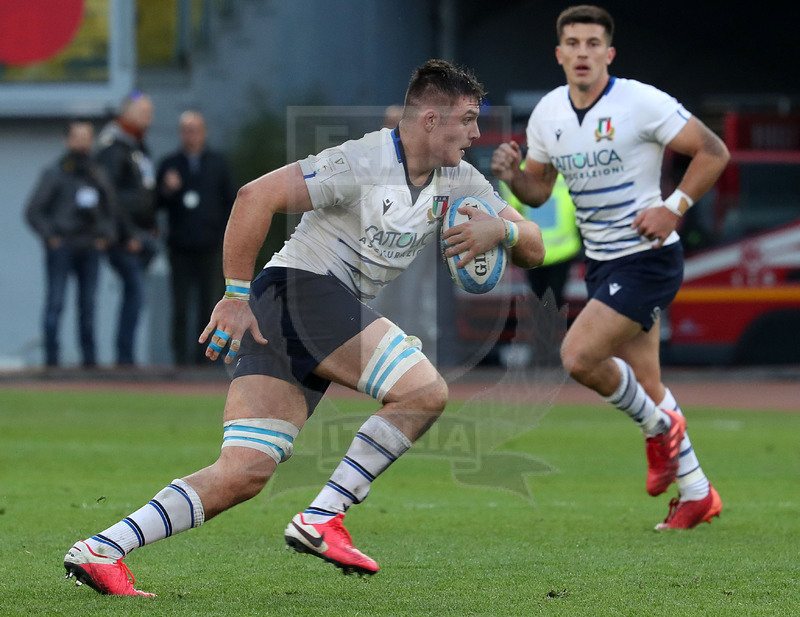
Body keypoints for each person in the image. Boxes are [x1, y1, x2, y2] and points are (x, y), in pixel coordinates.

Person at [63, 59, 545, 596]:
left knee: (243, 472)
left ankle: (102, 549)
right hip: (301, 291)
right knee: (424, 392)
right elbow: (255, 196)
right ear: (430, 119)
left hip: (293, 311)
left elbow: (535, 244)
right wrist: (234, 294)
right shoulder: (361, 160)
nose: (478, 132)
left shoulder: (460, 179)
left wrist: (501, 229)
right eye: (469, 119)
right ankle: (323, 518)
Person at [492, 5, 730, 530]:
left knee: (577, 356)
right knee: (648, 382)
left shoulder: (640, 102)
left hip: (648, 258)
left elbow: (712, 151)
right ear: (559, 54)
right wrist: (513, 176)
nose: (582, 52)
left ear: (609, 53)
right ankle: (696, 493)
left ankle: (658, 431)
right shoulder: (549, 113)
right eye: (572, 43)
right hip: (600, 261)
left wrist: (675, 207)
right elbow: (538, 190)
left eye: (592, 43)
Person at [25, 120, 117, 368]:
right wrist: (51, 237)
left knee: (88, 305)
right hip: (63, 245)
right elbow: (33, 211)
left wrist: (103, 237)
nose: (82, 141)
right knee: (56, 302)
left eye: (86, 136)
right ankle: (51, 362)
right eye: (77, 136)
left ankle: (89, 362)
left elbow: (111, 209)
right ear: (67, 140)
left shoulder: (97, 172)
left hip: (89, 246)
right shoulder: (55, 172)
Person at [156, 111, 236, 366]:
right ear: (181, 133)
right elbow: (155, 204)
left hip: (210, 245)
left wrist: (225, 236)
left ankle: (206, 359)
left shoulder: (218, 163)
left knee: (210, 303)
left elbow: (232, 202)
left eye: (196, 130)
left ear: (205, 132)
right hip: (180, 246)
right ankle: (180, 359)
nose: (191, 135)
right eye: (186, 130)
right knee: (180, 304)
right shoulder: (169, 163)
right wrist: (167, 190)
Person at [95, 91, 158, 366]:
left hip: (143, 236)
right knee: (135, 293)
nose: (150, 118)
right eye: (144, 112)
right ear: (127, 113)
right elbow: (111, 197)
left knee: (136, 295)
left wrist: (152, 225)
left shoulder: (139, 148)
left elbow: (144, 192)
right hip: (125, 239)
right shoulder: (113, 149)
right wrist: (127, 234)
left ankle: (126, 356)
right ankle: (124, 359)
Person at [499, 167, 581, 310]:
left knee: (543, 303)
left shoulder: (519, 171)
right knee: (550, 304)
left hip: (540, 250)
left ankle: (546, 328)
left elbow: (509, 208)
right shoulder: (568, 170)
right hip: (552, 249)